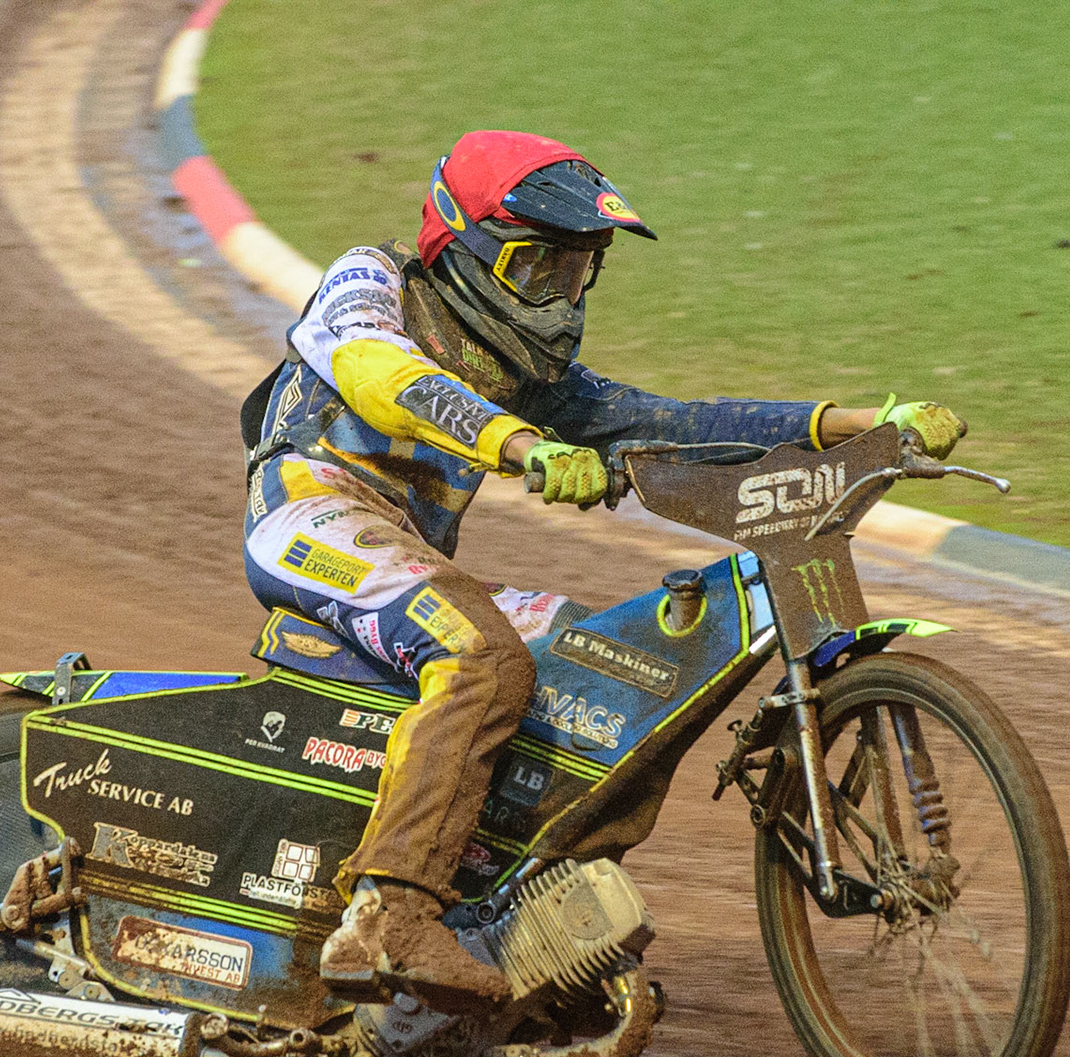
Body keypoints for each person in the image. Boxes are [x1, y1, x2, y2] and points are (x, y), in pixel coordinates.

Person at [241, 130, 965, 1011]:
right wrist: (516, 443)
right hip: (314, 515)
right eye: (539, 270)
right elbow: (376, 373)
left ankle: (518, 913)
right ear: (461, 245)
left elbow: (671, 420)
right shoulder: (376, 282)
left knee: (614, 678)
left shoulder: (531, 377)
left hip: (409, 555)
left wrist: (854, 423)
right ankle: (390, 916)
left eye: (579, 273)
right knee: (486, 660)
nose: (562, 298)